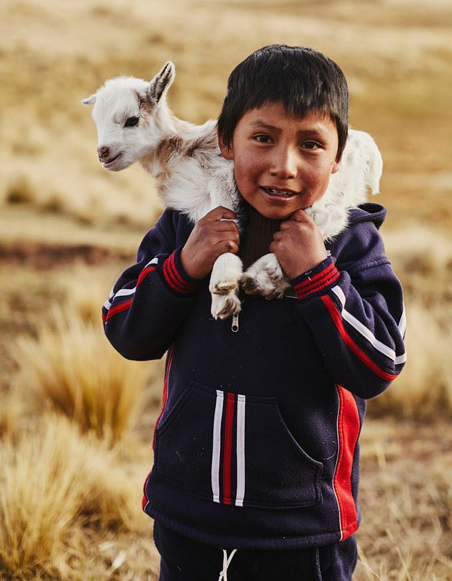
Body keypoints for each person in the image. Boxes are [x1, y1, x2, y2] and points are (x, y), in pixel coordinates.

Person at [102, 44, 406, 581]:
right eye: (262, 137)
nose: (282, 167)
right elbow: (124, 326)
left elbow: (381, 361)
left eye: (310, 144)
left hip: (301, 530)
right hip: (187, 513)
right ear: (224, 141)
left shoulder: (349, 245)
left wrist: (318, 275)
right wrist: (183, 266)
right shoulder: (187, 225)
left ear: (339, 160)